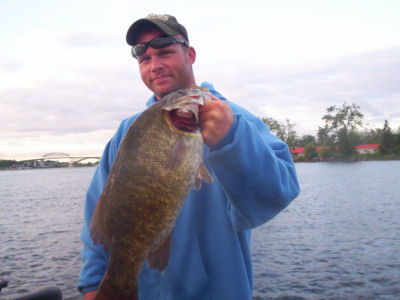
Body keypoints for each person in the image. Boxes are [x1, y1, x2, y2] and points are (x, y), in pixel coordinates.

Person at [77, 14, 300, 300]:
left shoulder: (235, 120)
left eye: (165, 53)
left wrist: (230, 140)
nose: (155, 65)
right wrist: (95, 285)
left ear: (190, 55)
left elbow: (279, 192)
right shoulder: (128, 131)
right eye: (144, 59)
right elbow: (98, 219)